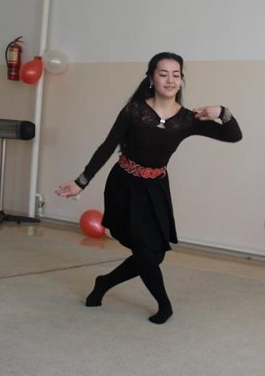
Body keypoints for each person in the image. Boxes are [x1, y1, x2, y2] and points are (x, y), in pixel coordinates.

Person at [56, 51, 242, 324]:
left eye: (176, 74)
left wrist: (222, 112)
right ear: (152, 78)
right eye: (163, 74)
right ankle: (165, 305)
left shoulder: (187, 119)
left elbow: (234, 136)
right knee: (144, 250)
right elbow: (107, 147)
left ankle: (104, 282)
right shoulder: (134, 111)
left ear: (181, 80)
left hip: (156, 187)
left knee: (155, 255)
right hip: (125, 185)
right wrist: (81, 182)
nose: (170, 80)